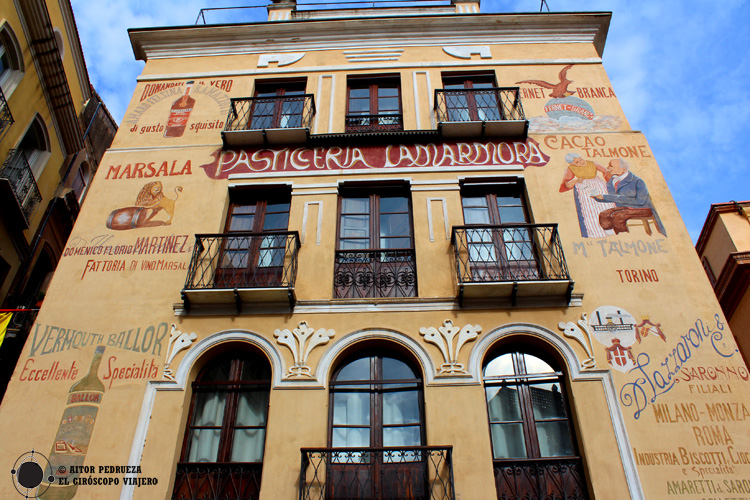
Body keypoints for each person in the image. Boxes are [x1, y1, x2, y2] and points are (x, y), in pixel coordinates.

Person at [591, 159, 666, 235]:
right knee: (604, 215)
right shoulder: (612, 181)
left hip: (643, 208)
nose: (608, 168)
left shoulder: (637, 181)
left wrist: (607, 197)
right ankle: (613, 236)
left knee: (617, 216)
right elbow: (614, 197)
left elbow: (640, 201)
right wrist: (599, 198)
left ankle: (624, 236)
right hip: (626, 207)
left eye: (611, 166)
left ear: (623, 170)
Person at [559, 152, 614, 238]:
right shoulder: (571, 169)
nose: (581, 162)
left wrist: (613, 183)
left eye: (581, 159)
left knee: (607, 206)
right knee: (590, 211)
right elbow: (567, 184)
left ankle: (612, 230)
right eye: (577, 162)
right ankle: (597, 234)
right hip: (584, 190)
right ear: (572, 163)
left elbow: (605, 171)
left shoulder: (592, 163)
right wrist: (576, 181)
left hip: (598, 185)